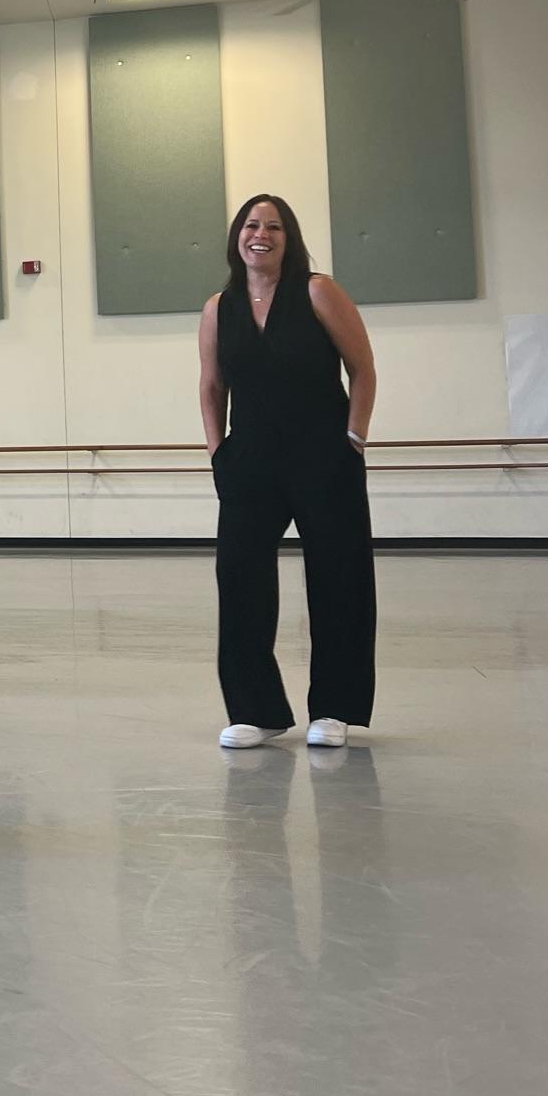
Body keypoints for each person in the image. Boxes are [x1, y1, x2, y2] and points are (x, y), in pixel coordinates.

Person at [198, 194, 378, 750]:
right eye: (252, 225)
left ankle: (334, 709)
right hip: (249, 461)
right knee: (240, 578)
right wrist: (217, 452)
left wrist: (353, 438)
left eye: (274, 226)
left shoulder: (318, 291)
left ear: (288, 237)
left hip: (324, 456)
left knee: (339, 578)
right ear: (237, 237)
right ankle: (257, 711)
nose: (262, 235)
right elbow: (211, 386)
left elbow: (363, 369)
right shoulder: (217, 308)